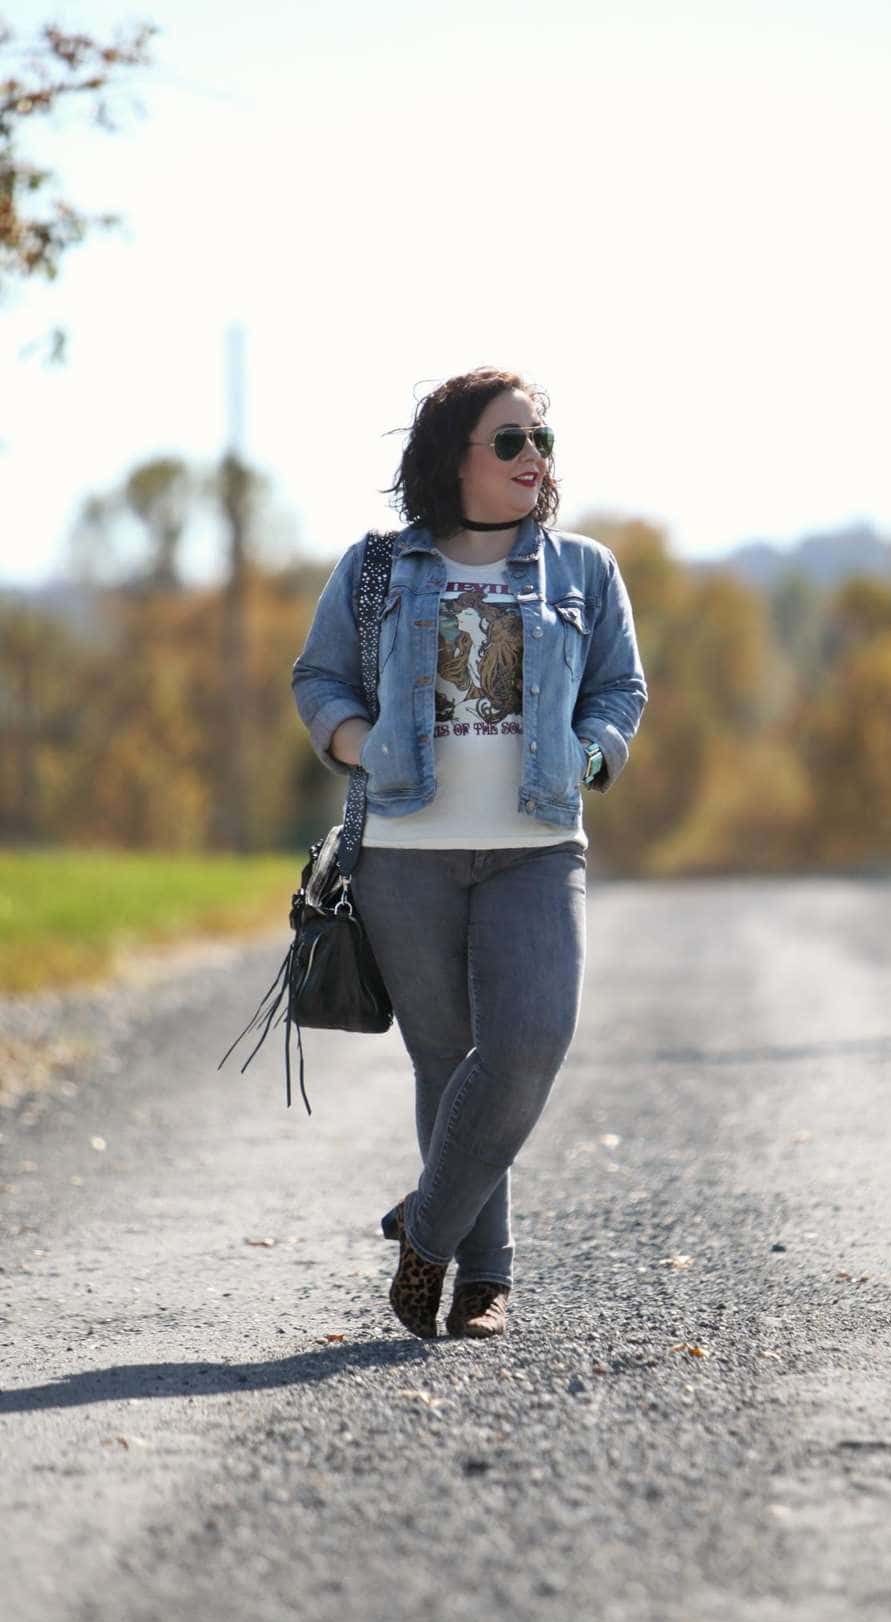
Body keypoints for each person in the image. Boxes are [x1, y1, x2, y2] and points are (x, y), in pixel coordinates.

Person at [291, 367, 647, 1340]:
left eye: (543, 442)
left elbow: (621, 687)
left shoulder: (583, 568)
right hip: (405, 853)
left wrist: (590, 752)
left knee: (529, 1043)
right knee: (447, 1064)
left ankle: (428, 1224)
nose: (535, 458)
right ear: (456, 457)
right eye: (511, 441)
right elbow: (318, 675)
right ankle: (484, 1280)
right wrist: (361, 745)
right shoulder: (375, 568)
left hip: (537, 847)